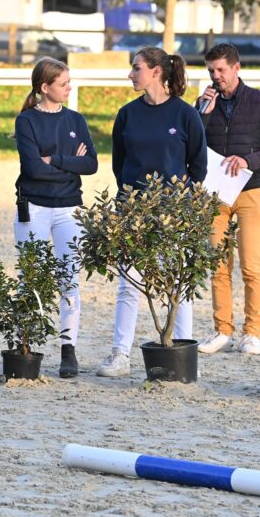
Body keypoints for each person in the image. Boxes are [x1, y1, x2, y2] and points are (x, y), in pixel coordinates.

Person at [97, 47, 207, 378]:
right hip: (132, 212)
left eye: (136, 68)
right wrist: (131, 201)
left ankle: (182, 353)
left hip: (173, 214)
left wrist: (177, 204)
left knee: (177, 285)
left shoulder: (185, 115)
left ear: (156, 71)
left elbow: (198, 166)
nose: (131, 74)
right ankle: (120, 355)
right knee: (129, 285)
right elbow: (119, 165)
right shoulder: (127, 114)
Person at [195, 43, 260, 355]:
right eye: (211, 70)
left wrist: (249, 160)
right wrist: (202, 115)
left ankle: (252, 333)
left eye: (221, 70)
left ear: (236, 68)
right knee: (217, 266)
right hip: (215, 195)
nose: (216, 76)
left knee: (251, 265)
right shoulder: (203, 104)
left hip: (251, 191)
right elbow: (192, 144)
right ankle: (222, 330)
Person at [13, 57, 98, 378]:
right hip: (33, 206)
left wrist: (55, 159)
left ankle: (68, 348)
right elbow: (32, 168)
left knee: (69, 277)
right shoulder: (26, 121)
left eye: (69, 82)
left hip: (68, 208)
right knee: (30, 276)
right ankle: (24, 344)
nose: (69, 88)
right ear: (44, 87)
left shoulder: (76, 120)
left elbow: (91, 164)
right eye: (63, 84)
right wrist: (69, 166)